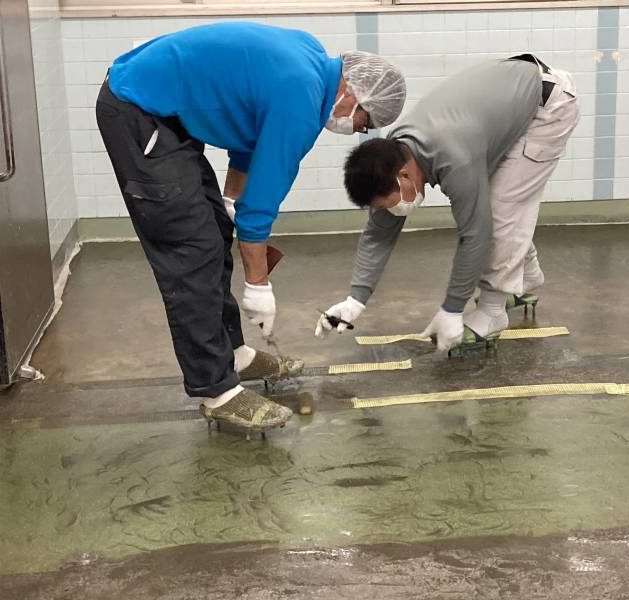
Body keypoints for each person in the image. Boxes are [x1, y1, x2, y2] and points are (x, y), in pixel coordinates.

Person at [96, 22, 405, 431]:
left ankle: (233, 354)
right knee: (192, 251)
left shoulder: (311, 58)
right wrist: (259, 286)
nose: (359, 130)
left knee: (214, 232)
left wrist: (227, 200)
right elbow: (259, 210)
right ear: (353, 93)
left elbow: (250, 136)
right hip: (137, 108)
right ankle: (214, 389)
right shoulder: (301, 101)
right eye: (365, 122)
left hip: (162, 110)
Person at [316, 54, 579, 352]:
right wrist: (355, 301)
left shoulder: (454, 159)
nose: (392, 212)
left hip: (548, 107)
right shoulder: (394, 154)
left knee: (500, 210)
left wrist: (453, 308)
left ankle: (492, 313)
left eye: (389, 204)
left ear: (404, 175)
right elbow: (378, 234)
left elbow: (476, 235)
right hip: (513, 101)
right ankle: (526, 280)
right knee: (496, 205)